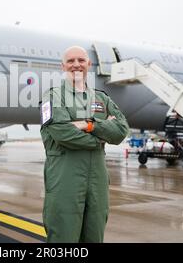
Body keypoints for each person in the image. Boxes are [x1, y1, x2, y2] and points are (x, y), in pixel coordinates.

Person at [40, 46, 129, 243]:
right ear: (63, 66)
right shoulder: (53, 96)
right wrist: (102, 135)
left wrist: (88, 125)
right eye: (71, 61)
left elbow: (121, 130)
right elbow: (63, 134)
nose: (76, 65)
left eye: (81, 60)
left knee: (94, 236)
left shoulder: (101, 98)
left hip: (97, 183)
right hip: (65, 181)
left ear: (89, 64)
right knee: (64, 238)